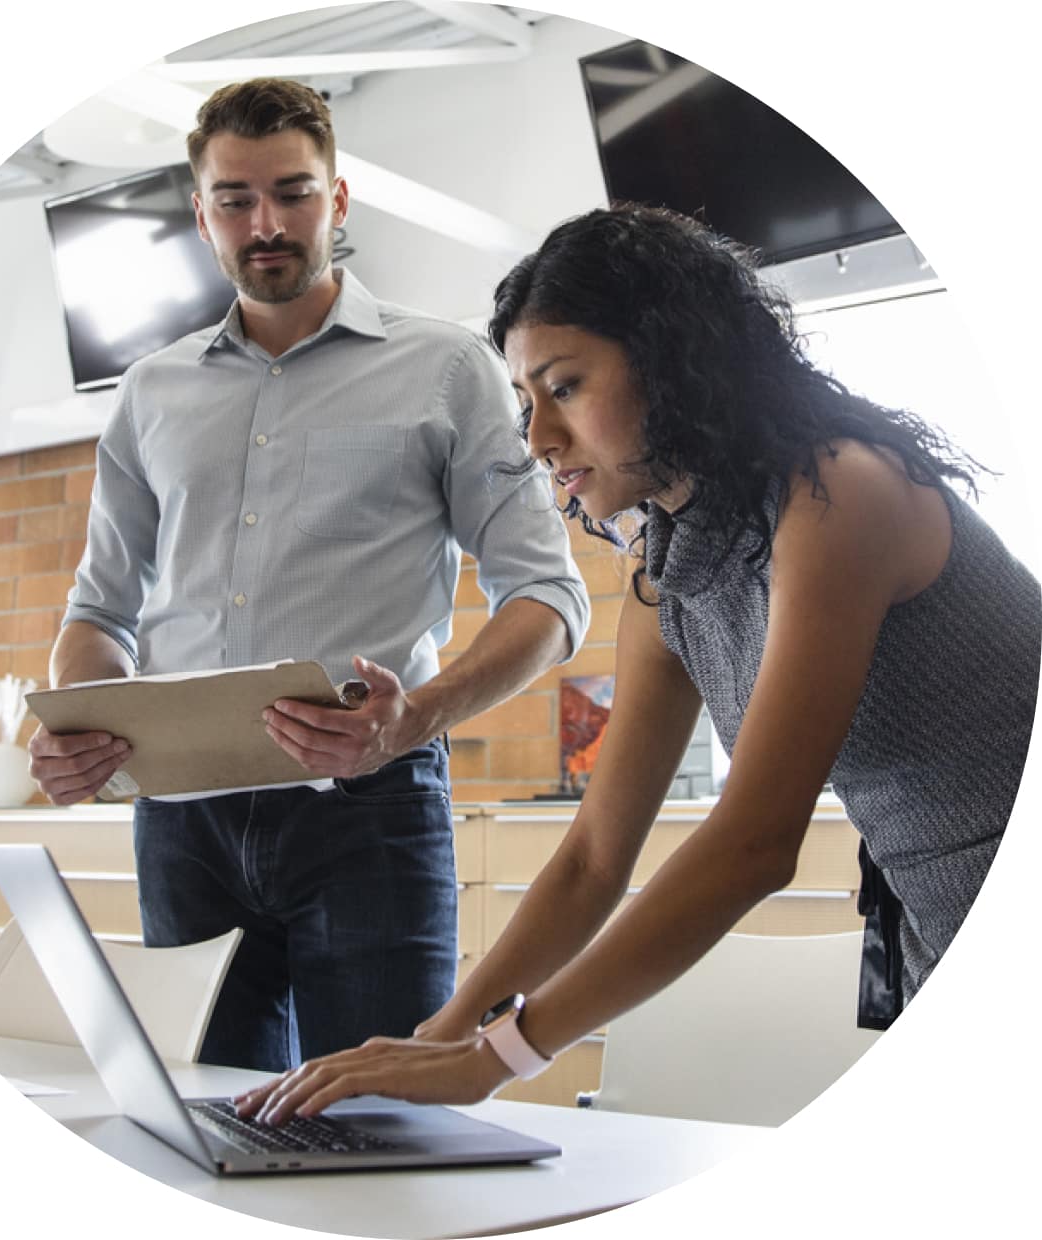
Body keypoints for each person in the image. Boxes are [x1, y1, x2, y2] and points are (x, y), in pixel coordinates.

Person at [233, 202, 1041, 1125]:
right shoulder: (669, 577)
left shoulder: (840, 494)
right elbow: (592, 858)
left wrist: (494, 1057)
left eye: (564, 387)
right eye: (525, 403)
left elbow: (752, 847)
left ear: (673, 362)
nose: (536, 439)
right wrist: (438, 1036)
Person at [26, 79, 590, 1072]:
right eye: (236, 200)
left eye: (292, 192)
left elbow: (548, 595)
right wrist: (81, 722)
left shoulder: (449, 368)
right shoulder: (149, 393)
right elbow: (100, 607)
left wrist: (415, 714)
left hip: (364, 805)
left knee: (378, 1122)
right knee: (205, 1118)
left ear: (337, 200)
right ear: (202, 217)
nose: (267, 223)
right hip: (182, 818)